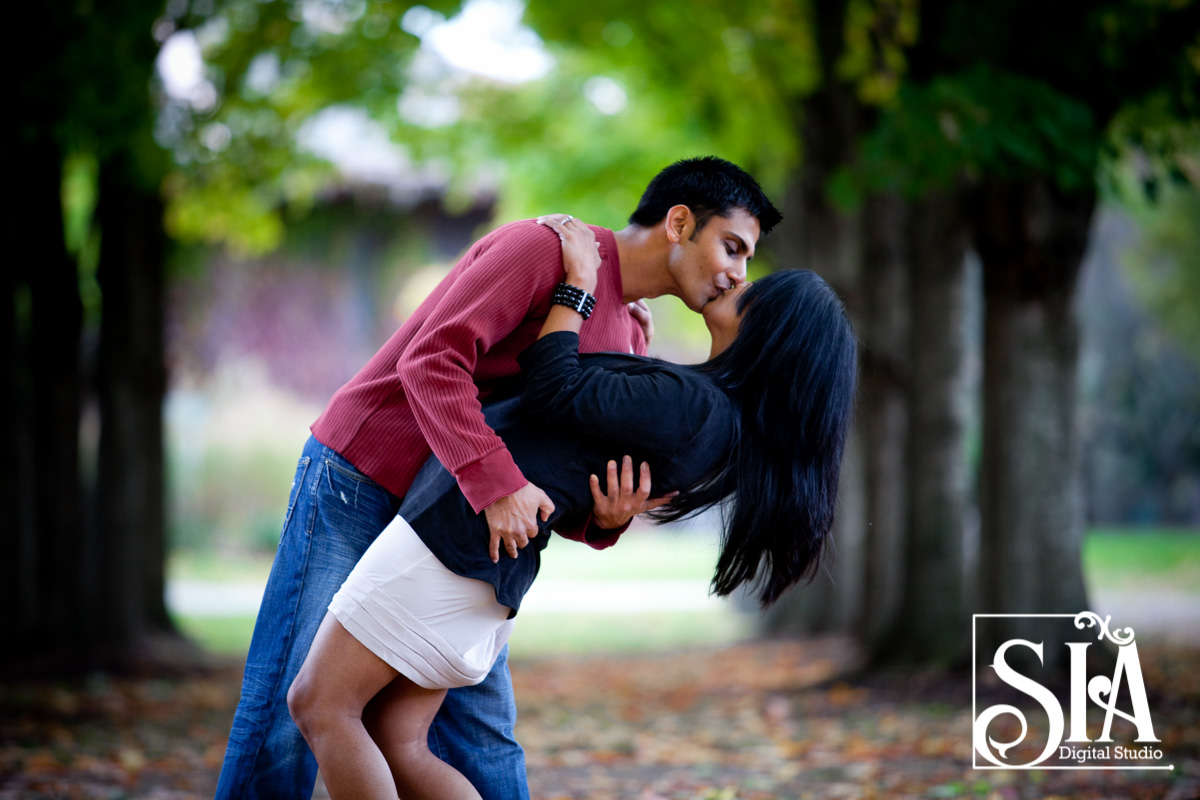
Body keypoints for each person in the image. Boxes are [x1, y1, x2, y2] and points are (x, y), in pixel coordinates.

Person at [215, 156, 783, 800]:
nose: (738, 273)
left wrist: (605, 518)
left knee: (477, 734)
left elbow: (555, 463)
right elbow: (430, 361)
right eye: (732, 247)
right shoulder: (542, 249)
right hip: (365, 477)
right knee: (287, 718)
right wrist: (500, 486)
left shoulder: (626, 332)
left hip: (461, 536)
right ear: (680, 223)